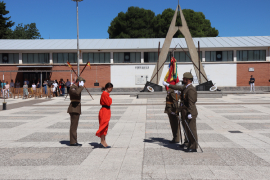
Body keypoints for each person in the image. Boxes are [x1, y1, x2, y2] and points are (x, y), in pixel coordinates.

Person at [163, 72, 198, 153]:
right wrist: (168, 85)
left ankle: (193, 147)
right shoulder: (186, 87)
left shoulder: (191, 89)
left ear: (188, 80)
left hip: (190, 112)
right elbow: (178, 87)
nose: (183, 79)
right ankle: (188, 143)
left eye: (184, 79)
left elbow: (191, 103)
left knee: (191, 130)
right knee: (186, 129)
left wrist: (190, 113)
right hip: (184, 111)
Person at [67, 77, 85, 146]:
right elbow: (77, 93)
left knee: (74, 126)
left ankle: (74, 140)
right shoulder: (73, 88)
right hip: (74, 108)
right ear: (79, 82)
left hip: (76, 108)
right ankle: (73, 142)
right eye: (82, 82)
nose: (83, 84)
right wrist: (80, 86)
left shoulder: (76, 87)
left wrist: (80, 86)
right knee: (73, 126)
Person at [96, 83, 114, 148]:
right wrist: (110, 99)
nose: (111, 90)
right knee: (103, 126)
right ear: (108, 88)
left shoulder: (105, 94)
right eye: (111, 89)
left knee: (105, 126)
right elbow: (109, 103)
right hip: (104, 111)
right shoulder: (105, 94)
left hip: (105, 110)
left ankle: (103, 141)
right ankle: (102, 141)